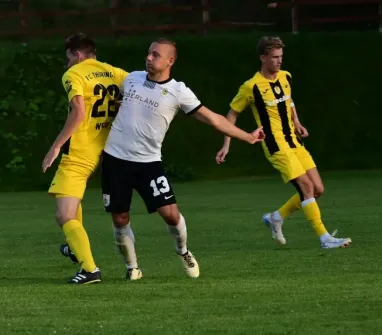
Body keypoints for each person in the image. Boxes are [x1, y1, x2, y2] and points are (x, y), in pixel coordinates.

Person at [100, 37, 265, 281]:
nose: (149, 58)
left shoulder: (178, 91)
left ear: (170, 60)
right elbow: (116, 104)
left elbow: (214, 119)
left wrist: (248, 137)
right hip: (115, 159)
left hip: (148, 163)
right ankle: (132, 267)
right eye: (148, 53)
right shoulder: (131, 79)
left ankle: (183, 251)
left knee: (170, 214)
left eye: (156, 55)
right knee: (119, 216)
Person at [215, 36, 351, 249]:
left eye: (281, 57)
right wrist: (227, 144)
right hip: (275, 145)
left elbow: (289, 100)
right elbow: (230, 116)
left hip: (294, 142)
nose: (279, 61)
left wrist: (296, 121)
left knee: (318, 189)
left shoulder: (285, 77)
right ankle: (325, 239)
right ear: (262, 58)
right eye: (275, 57)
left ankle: (276, 217)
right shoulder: (251, 87)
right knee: (306, 186)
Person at [42, 33, 129, 284]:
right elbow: (139, 92)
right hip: (108, 149)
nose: (67, 64)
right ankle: (74, 246)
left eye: (68, 58)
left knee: (64, 214)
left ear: (78, 55)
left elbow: (78, 112)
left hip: (80, 152)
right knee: (71, 201)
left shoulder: (74, 74)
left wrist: (55, 147)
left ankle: (89, 269)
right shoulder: (115, 72)